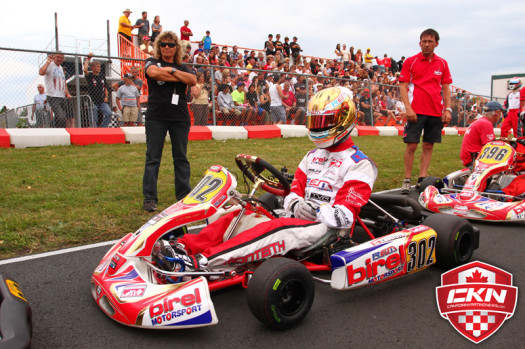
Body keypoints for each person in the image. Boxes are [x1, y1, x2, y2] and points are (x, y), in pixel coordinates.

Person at [164, 86, 377, 272]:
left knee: (275, 228)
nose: (319, 127)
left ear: (343, 120)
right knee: (241, 212)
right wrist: (295, 203)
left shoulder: (360, 164)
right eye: (316, 122)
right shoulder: (312, 156)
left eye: (324, 122)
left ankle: (201, 262)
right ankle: (183, 246)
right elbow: (294, 191)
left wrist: (316, 211)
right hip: (296, 216)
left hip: (326, 228)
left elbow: (346, 215)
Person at [142, 31, 197, 212]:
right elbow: (153, 74)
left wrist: (172, 70)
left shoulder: (182, 66)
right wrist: (176, 76)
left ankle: (183, 196)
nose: (167, 47)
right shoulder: (151, 61)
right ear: (158, 46)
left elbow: (192, 80)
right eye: (163, 44)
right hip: (156, 116)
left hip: (179, 117)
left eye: (171, 45)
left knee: (181, 157)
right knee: (153, 158)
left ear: (176, 48)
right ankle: (150, 198)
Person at [399, 28, 452, 194]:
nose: (427, 44)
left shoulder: (442, 63)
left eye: (430, 41)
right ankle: (407, 179)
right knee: (412, 145)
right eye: (424, 41)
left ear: (436, 44)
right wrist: (408, 108)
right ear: (420, 43)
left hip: (436, 111)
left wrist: (447, 109)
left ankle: (422, 179)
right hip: (416, 110)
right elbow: (403, 85)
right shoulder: (411, 61)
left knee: (429, 145)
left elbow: (445, 87)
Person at [459, 101, 504, 168]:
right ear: (496, 113)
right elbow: (490, 146)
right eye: (500, 113)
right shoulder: (486, 123)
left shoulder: (481, 121)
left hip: (468, 157)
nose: (501, 115)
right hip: (473, 159)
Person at [38, 52, 73, 128]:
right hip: (52, 96)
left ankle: (55, 130)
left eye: (61, 58)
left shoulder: (60, 68)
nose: (60, 59)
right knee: (61, 116)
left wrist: (67, 93)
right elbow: (41, 72)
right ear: (54, 57)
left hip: (61, 96)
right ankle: (61, 131)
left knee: (60, 117)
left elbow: (64, 81)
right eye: (58, 57)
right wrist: (47, 62)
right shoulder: (50, 65)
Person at [83, 54, 112, 127]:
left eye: (99, 66)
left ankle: (102, 129)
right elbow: (85, 69)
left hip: (102, 100)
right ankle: (94, 131)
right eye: (97, 66)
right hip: (92, 100)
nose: (99, 68)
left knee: (109, 113)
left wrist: (106, 97)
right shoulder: (90, 76)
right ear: (93, 67)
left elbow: (105, 87)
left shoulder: (102, 76)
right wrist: (88, 59)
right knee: (93, 119)